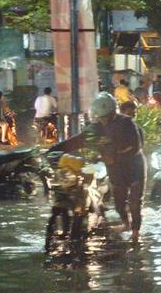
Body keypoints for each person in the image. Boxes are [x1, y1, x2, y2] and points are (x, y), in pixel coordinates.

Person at [54, 92, 146, 242]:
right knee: (119, 203)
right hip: (115, 170)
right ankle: (126, 224)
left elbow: (136, 145)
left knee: (135, 202)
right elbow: (79, 140)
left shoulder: (127, 123)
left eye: (106, 116)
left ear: (112, 113)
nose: (103, 120)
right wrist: (56, 149)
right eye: (100, 117)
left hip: (134, 167)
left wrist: (115, 154)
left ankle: (135, 233)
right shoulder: (96, 127)